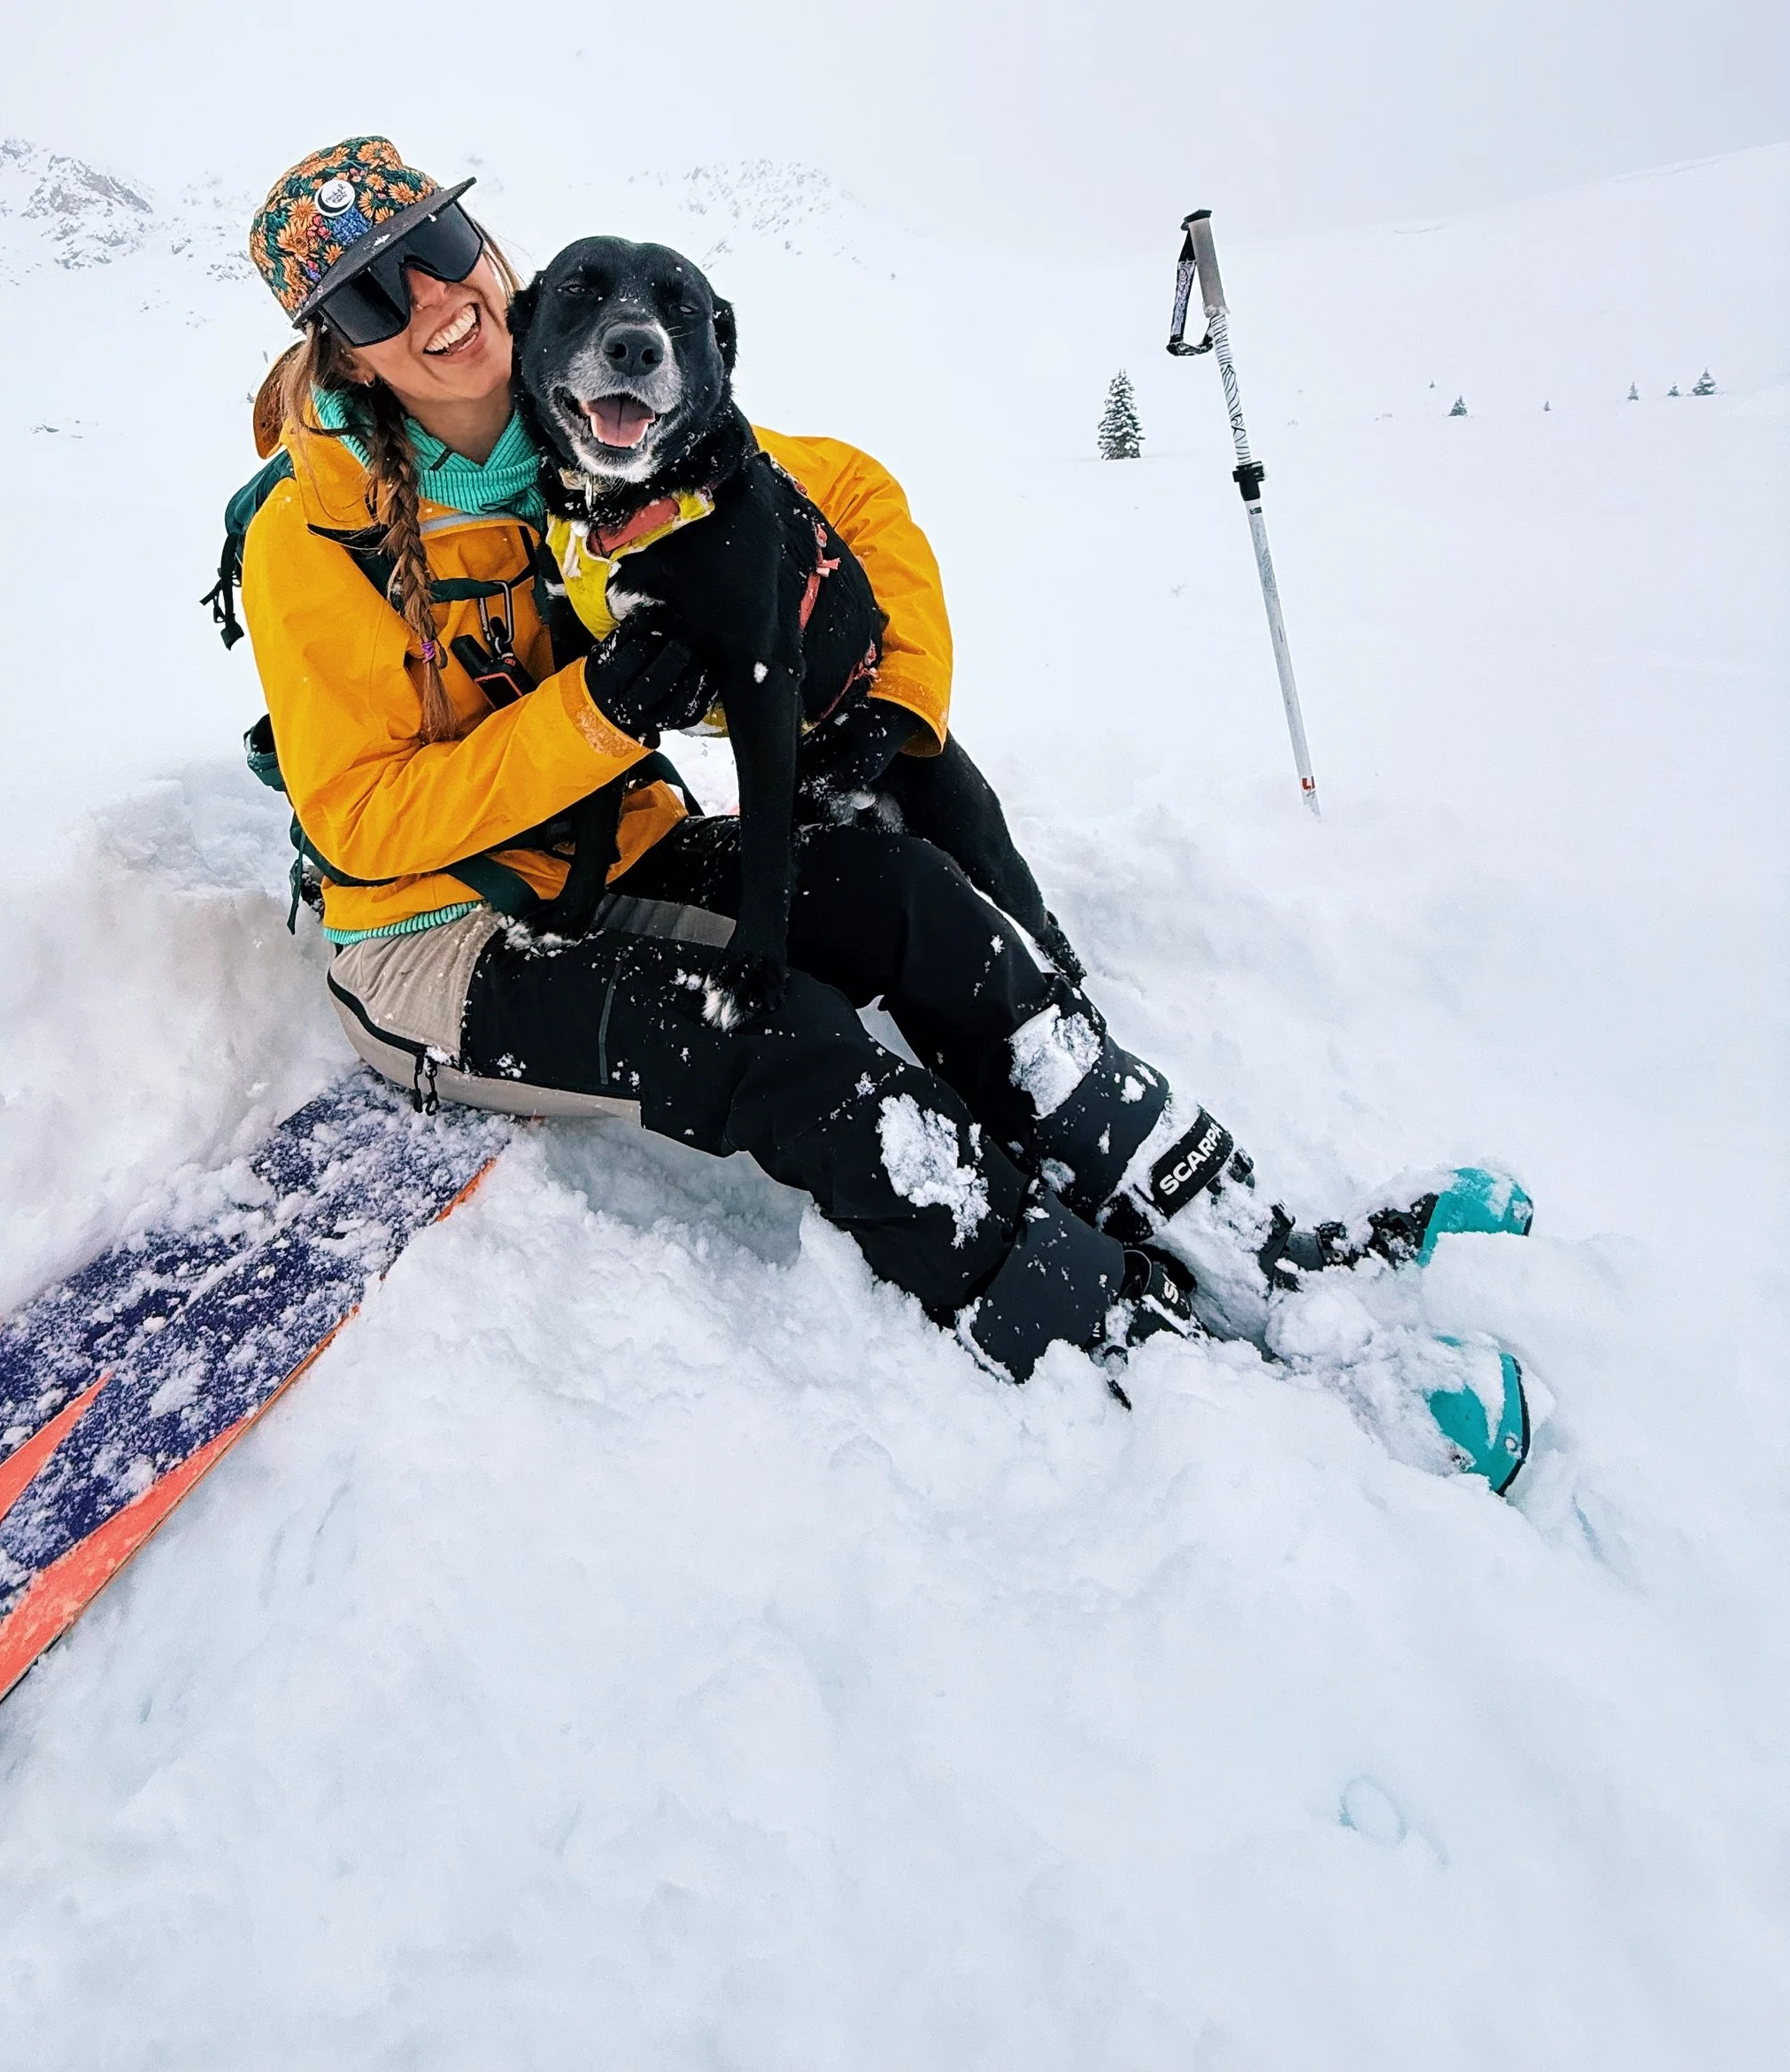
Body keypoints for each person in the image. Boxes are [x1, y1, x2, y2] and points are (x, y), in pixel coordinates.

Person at [235, 139, 1536, 1485]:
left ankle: (1259, 1239)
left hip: (618, 851)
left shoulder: (581, 404)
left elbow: (848, 491)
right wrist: (600, 716)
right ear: (340, 345)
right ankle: (1134, 1353)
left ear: (488, 248)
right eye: (375, 297)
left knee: (916, 903)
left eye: (440, 252)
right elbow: (362, 826)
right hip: (436, 945)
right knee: (785, 1043)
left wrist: (895, 709)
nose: (434, 302)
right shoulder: (307, 535)